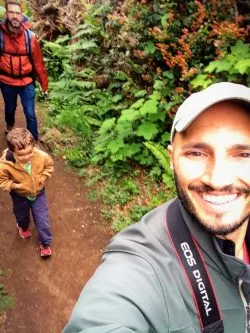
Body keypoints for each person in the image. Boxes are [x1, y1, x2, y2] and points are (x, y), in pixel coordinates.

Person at [63, 82, 250, 333]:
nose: (217, 179)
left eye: (243, 154)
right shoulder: (142, 264)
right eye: (197, 153)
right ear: (172, 159)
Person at [0, 128, 53, 257]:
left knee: (42, 219)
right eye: (21, 155)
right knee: (22, 216)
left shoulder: (41, 156)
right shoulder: (5, 165)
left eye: (29, 153)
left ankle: (45, 243)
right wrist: (16, 185)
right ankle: (22, 226)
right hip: (19, 196)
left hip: (38, 193)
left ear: (33, 147)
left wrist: (43, 177)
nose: (26, 157)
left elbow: (49, 166)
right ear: (12, 152)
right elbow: (2, 181)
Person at [0, 0, 48, 140]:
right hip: (6, 81)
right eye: (12, 12)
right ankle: (10, 125)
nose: (15, 16)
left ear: (22, 16)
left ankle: (33, 142)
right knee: (10, 108)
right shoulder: (1, 36)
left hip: (26, 82)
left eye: (18, 13)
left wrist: (44, 85)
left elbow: (39, 63)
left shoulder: (30, 37)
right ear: (7, 14)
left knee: (30, 113)